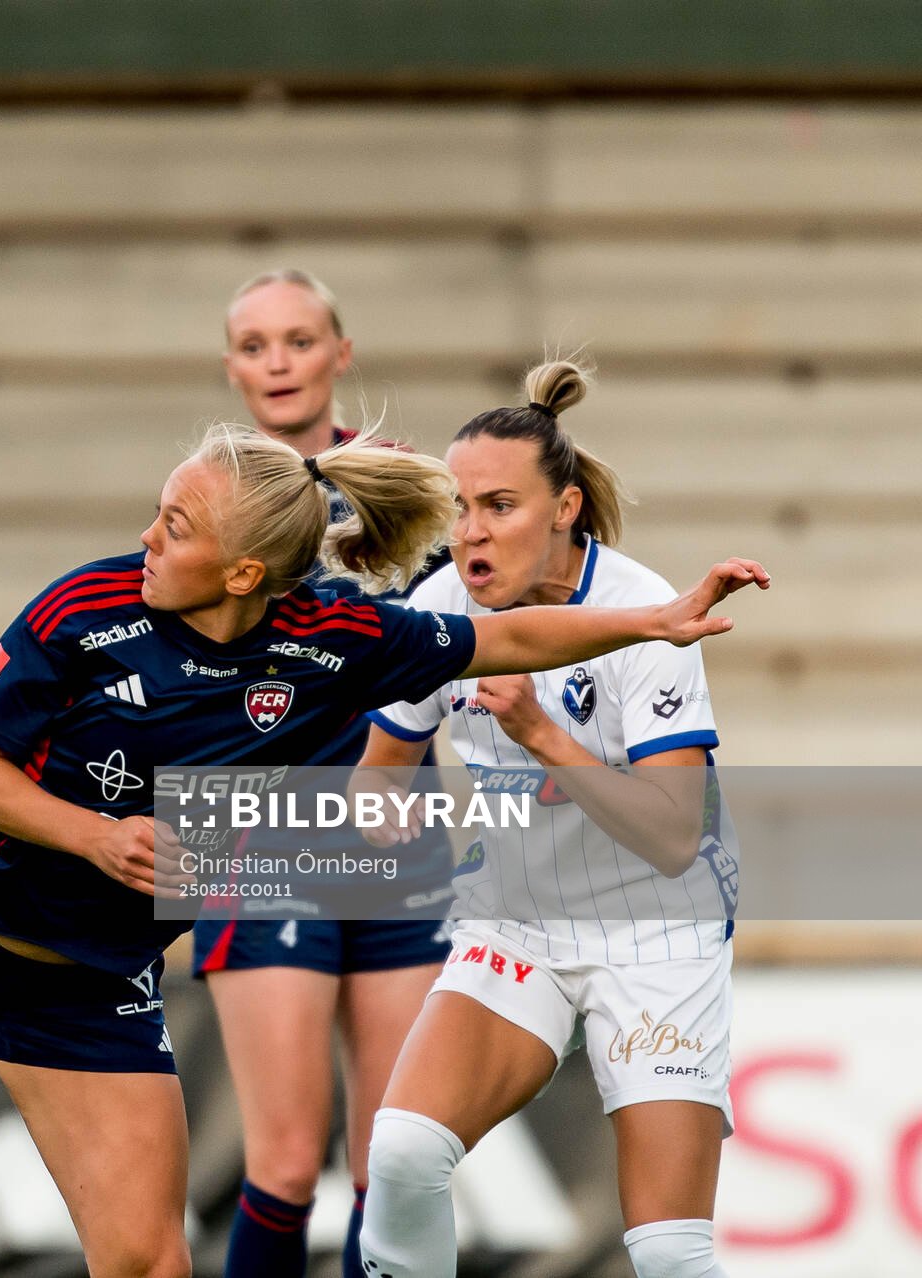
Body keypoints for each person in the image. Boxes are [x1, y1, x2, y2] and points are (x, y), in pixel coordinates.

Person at [0, 423, 765, 1278]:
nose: (145, 539)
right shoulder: (84, 612)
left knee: (150, 1264)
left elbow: (501, 639)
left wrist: (654, 619)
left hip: (81, 979)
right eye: (159, 513)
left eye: (176, 526)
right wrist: (95, 834)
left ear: (245, 574)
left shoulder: (337, 638)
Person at [355, 361, 749, 1278]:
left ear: (566, 508)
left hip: (656, 935)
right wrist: (383, 819)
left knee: (670, 1253)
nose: (470, 533)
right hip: (516, 924)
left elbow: (672, 836)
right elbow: (380, 777)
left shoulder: (647, 618)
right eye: (460, 508)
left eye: (500, 506)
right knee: (403, 1153)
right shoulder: (439, 610)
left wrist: (539, 734)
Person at [194, 269, 457, 1278]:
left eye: (299, 340)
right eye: (255, 345)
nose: (278, 363)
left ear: (340, 354)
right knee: (286, 1163)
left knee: (394, 1162)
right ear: (231, 366)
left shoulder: (402, 485)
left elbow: (467, 637)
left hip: (399, 833)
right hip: (255, 831)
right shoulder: (207, 496)